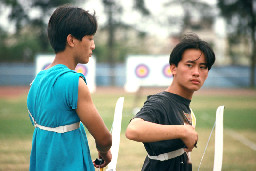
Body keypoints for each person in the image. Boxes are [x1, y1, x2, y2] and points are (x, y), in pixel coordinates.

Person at [27, 5, 112, 171]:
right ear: (72, 40)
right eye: (90, 38)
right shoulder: (74, 82)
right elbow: (104, 138)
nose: (93, 45)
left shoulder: (37, 80)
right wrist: (104, 151)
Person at [125, 33, 215, 171]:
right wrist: (183, 131)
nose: (196, 72)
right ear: (173, 68)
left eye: (203, 67)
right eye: (189, 65)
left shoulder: (182, 103)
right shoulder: (161, 102)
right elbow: (133, 129)